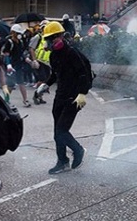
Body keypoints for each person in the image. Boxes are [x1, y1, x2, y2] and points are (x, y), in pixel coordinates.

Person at [34, 21, 90, 175]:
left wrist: (82, 93)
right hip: (60, 96)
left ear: (61, 36)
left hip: (74, 98)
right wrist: (45, 85)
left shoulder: (73, 53)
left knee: (61, 130)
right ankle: (62, 161)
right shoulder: (53, 55)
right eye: (48, 39)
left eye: (53, 38)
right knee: (57, 132)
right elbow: (55, 74)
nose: (50, 42)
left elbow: (84, 73)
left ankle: (78, 150)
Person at [2, 24, 31, 107]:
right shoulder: (9, 42)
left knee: (21, 83)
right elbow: (6, 54)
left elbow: (22, 53)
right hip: (11, 67)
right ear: (13, 33)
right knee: (10, 85)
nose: (20, 35)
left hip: (19, 65)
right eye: (18, 33)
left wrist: (27, 59)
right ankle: (6, 101)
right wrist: (8, 65)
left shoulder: (20, 42)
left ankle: (25, 100)